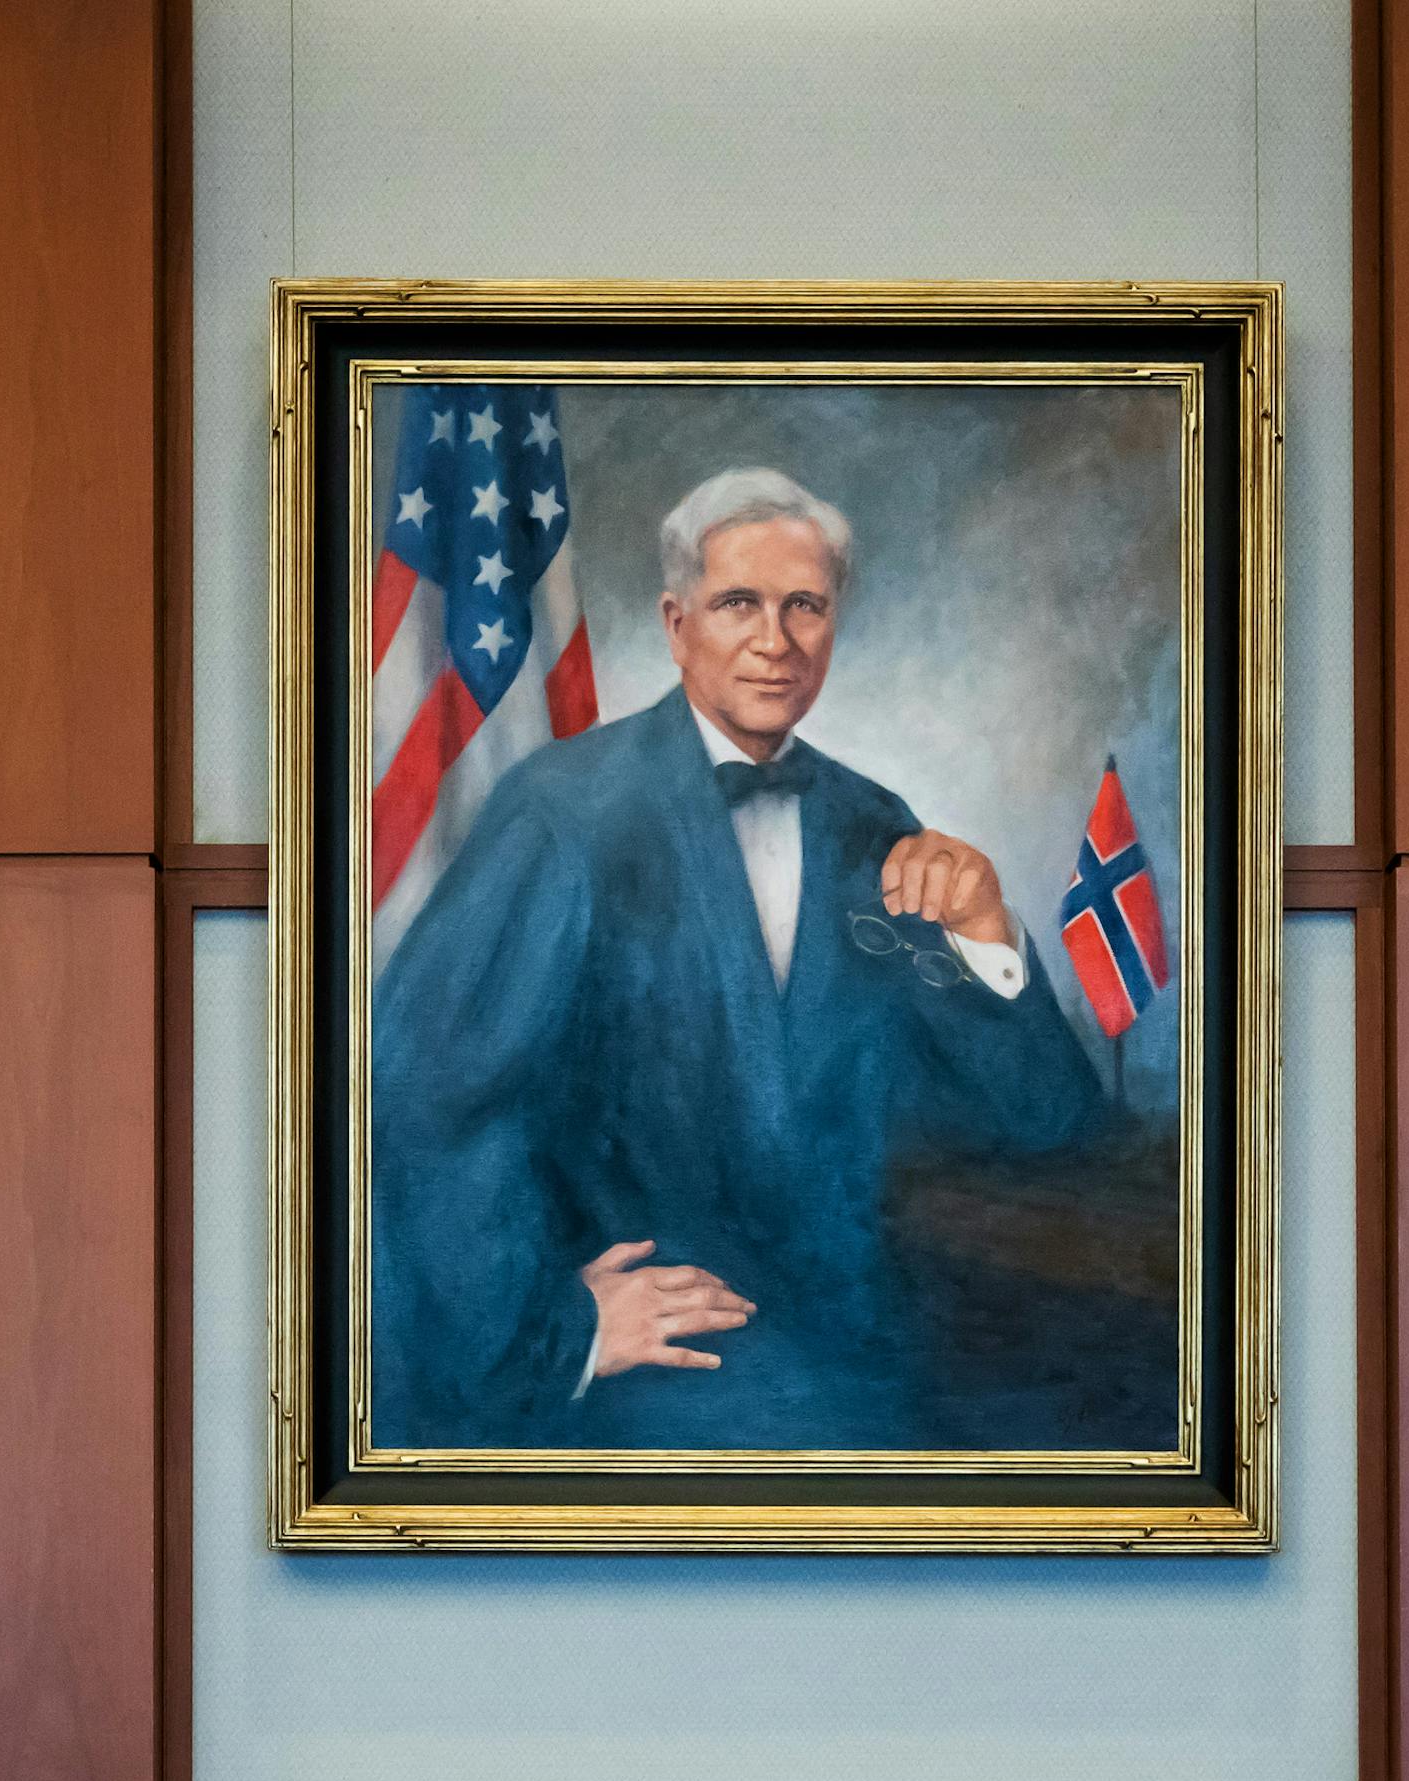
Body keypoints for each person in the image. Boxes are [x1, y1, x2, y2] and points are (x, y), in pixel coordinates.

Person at [370, 466, 1102, 1449]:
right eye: (739, 604)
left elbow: (1041, 1122)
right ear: (678, 625)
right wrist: (557, 1330)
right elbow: (431, 1105)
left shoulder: (871, 824)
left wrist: (985, 938)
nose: (775, 641)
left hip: (865, 1357)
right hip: (651, 1387)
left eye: (805, 605)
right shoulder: (565, 812)